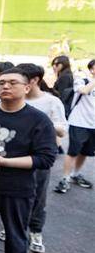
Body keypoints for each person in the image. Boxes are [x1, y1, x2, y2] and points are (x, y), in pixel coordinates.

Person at [0, 67, 56, 253]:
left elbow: (45, 158)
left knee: (15, 236)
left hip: (17, 189)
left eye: (12, 82)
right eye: (1, 82)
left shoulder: (38, 120)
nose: (5, 86)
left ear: (27, 87)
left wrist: (4, 162)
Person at [17, 63, 67, 253]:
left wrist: (39, 122)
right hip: (15, 154)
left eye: (19, 80)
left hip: (40, 157)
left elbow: (62, 130)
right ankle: (14, 225)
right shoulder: (16, 98)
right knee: (13, 195)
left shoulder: (51, 102)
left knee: (38, 195)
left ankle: (35, 231)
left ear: (34, 80)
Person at [55, 59, 95, 194]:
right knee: (73, 151)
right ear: (91, 69)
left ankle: (75, 174)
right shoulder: (82, 80)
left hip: (93, 125)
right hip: (79, 122)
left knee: (85, 152)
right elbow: (83, 91)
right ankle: (65, 178)